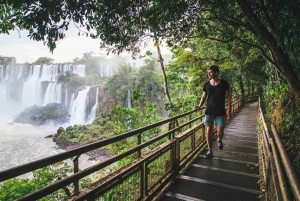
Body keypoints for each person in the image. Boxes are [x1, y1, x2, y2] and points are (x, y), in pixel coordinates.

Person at [194, 65, 231, 159]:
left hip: (220, 111)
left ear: (216, 73)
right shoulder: (206, 84)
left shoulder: (224, 83)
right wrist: (199, 106)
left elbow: (229, 98)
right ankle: (210, 151)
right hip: (209, 111)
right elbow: (203, 97)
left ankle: (219, 139)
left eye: (210, 72)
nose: (209, 74)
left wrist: (229, 110)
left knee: (220, 132)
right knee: (208, 132)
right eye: (208, 72)